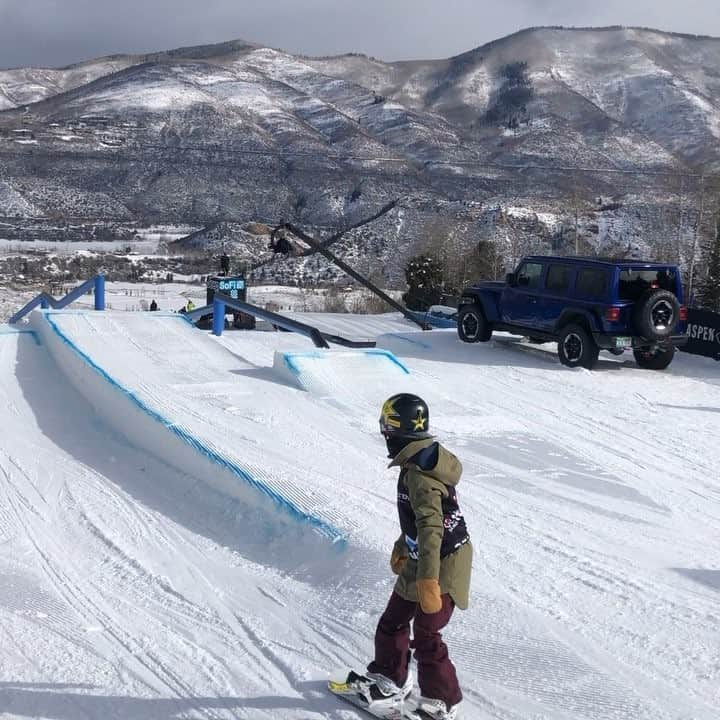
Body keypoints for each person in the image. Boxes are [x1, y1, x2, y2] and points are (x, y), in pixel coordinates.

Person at [365, 393, 472, 720]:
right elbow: (418, 522)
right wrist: (402, 545)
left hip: (444, 562)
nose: (384, 435)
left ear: (395, 431)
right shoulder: (417, 462)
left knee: (426, 632)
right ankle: (390, 678)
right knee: (393, 619)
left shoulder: (420, 475)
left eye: (387, 429)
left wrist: (427, 580)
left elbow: (431, 529)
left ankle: (444, 701)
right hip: (424, 555)